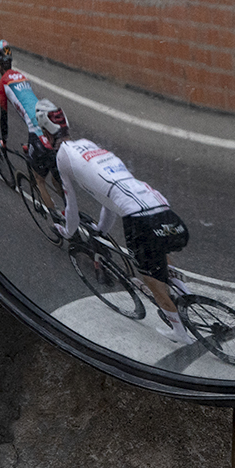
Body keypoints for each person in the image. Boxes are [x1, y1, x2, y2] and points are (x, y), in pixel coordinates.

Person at [45, 106, 193, 344]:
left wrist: (66, 231)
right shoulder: (90, 146)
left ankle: (180, 333)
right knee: (160, 252)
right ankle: (187, 297)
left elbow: (71, 208)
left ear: (47, 133)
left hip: (138, 216)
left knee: (150, 279)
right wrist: (101, 231)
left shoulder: (63, 157)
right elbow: (110, 199)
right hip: (158, 202)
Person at [0, 40, 62, 209]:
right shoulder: (22, 76)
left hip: (36, 128)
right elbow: (29, 103)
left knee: (39, 179)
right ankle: (71, 214)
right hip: (50, 122)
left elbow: (4, 115)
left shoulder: (4, 81)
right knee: (56, 176)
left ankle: (58, 223)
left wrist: (4, 140)